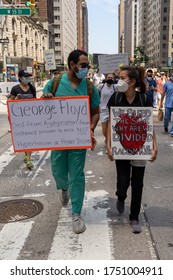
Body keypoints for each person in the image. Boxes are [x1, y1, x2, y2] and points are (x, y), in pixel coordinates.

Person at [42, 49, 100, 234]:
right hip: (57, 140)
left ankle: (76, 213)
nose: (86, 68)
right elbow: (41, 104)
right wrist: (46, 97)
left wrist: (90, 128)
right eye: (83, 65)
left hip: (78, 140)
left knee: (77, 175)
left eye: (87, 65)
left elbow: (96, 112)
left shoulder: (90, 87)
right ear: (72, 64)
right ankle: (64, 187)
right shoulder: (56, 82)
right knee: (58, 171)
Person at [106, 66, 158, 234]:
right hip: (121, 147)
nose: (118, 81)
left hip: (139, 148)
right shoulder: (115, 97)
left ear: (132, 81)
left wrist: (154, 146)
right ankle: (121, 196)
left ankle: (134, 216)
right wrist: (108, 145)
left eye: (122, 77)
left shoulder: (144, 99)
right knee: (123, 181)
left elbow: (149, 126)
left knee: (137, 183)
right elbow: (110, 122)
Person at [10, 69, 36, 169]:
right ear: (20, 78)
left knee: (30, 138)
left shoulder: (32, 88)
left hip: (30, 119)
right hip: (19, 120)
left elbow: (35, 102)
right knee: (24, 138)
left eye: (28, 76)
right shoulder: (15, 89)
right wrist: (16, 100)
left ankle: (28, 159)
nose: (27, 78)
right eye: (25, 77)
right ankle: (27, 154)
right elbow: (10, 103)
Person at [98, 73, 115, 151]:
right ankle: (107, 138)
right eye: (109, 77)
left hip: (112, 110)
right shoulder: (101, 86)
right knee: (104, 131)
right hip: (103, 110)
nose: (110, 79)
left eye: (112, 78)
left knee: (111, 128)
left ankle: (109, 144)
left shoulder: (115, 87)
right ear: (106, 78)